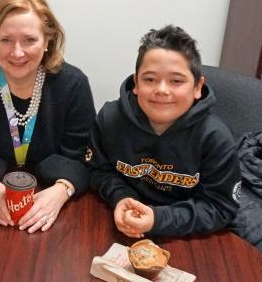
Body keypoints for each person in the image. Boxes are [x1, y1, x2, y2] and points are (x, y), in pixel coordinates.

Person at [0, 0, 95, 233]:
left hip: (52, 205)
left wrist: (62, 191)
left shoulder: (73, 84)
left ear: (47, 40)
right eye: (6, 40)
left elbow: (83, 154)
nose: (17, 52)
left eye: (29, 40)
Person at [87, 24, 240, 238]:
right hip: (120, 221)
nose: (161, 89)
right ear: (136, 83)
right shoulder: (110, 119)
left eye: (176, 81)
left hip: (186, 234)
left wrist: (159, 219)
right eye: (149, 79)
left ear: (197, 87)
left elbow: (220, 205)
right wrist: (121, 197)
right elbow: (98, 170)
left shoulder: (215, 137)